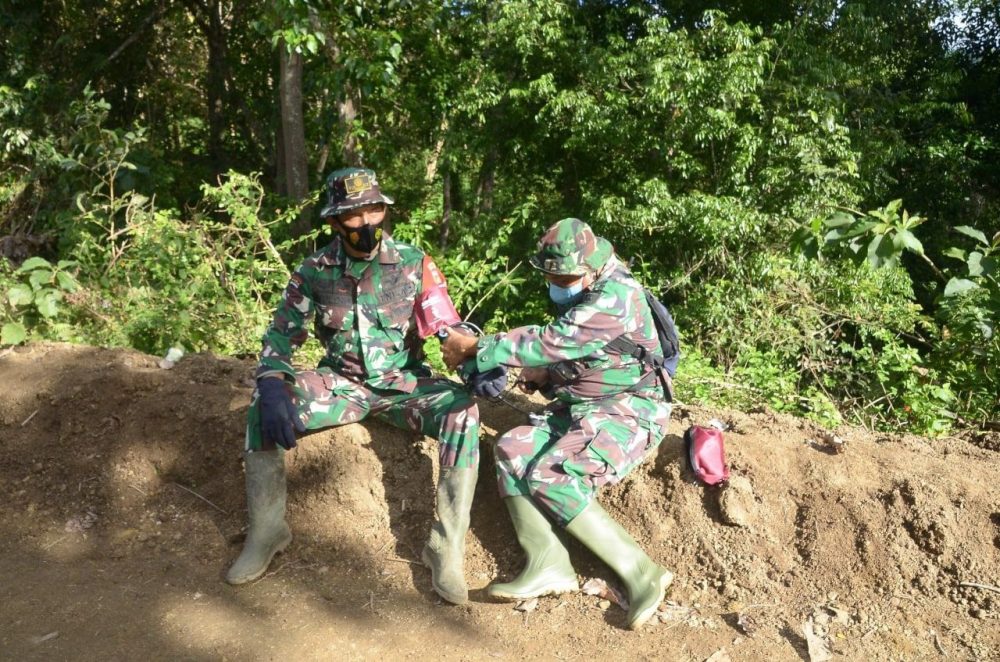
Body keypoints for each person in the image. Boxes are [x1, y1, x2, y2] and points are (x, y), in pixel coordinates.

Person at [226, 167, 482, 606]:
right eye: (355, 215)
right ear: (334, 221)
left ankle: (445, 547)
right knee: (261, 406)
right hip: (340, 384)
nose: (367, 223)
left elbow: (445, 324)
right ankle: (267, 532)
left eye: (375, 210)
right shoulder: (314, 271)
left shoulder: (414, 263)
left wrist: (475, 356)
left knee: (464, 412)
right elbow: (282, 333)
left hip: (406, 385)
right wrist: (272, 379)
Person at [441, 217, 675, 629]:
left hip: (630, 409)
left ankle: (643, 573)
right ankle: (548, 563)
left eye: (565, 275)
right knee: (513, 448)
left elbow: (549, 340)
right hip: (585, 405)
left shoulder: (616, 295)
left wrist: (476, 347)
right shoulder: (590, 289)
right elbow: (593, 353)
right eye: (552, 275)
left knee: (554, 475)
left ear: (591, 266)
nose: (558, 282)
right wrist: (548, 375)